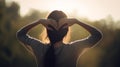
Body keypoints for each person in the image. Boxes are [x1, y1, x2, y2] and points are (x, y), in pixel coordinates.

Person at [16, 10, 102, 67]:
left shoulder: (38, 47)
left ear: (47, 29)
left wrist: (39, 21)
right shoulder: (73, 49)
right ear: (66, 30)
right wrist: (76, 21)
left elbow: (20, 34)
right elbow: (97, 35)